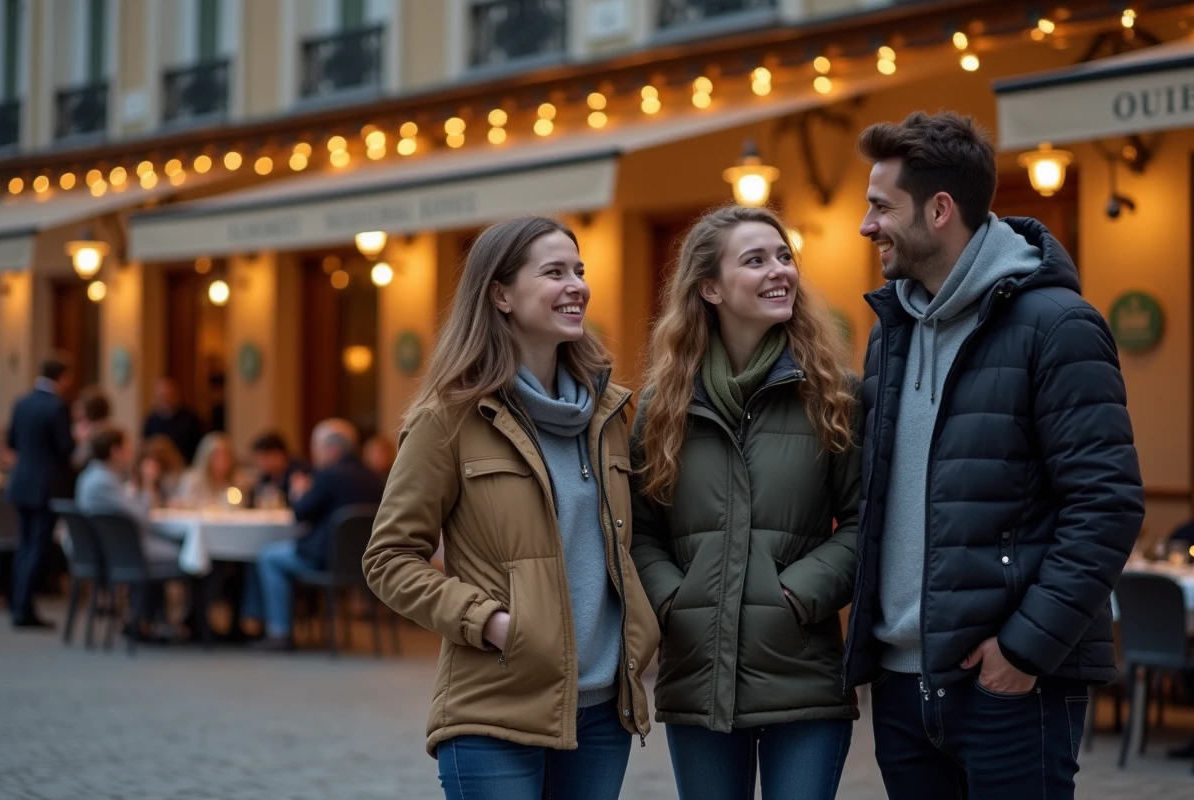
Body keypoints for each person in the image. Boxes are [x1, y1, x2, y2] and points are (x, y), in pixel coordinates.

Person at [844, 111, 1144, 800]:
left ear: (940, 210)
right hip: (901, 687)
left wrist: (1024, 650)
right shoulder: (889, 331)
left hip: (1009, 688)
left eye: (881, 207)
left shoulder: (1058, 326)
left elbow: (1106, 505)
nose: (866, 225)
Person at [362, 216, 659, 798]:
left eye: (579, 270)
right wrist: (492, 623)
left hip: (604, 712)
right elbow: (388, 559)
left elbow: (632, 543)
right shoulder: (449, 419)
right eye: (554, 272)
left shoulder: (609, 418)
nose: (576, 285)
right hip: (494, 709)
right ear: (501, 295)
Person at [629, 205, 859, 800]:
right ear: (710, 288)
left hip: (803, 675)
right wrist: (676, 600)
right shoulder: (662, 405)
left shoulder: (834, 395)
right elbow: (640, 530)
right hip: (698, 678)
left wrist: (796, 595)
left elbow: (865, 525)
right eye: (755, 260)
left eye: (784, 257)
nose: (779, 270)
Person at [247, 419, 383, 650]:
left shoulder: (329, 475)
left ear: (332, 449)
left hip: (326, 559)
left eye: (317, 448)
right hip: (365, 561)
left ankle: (279, 632)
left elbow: (300, 513)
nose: (314, 455)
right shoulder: (374, 478)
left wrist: (299, 492)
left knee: (269, 556)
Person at [5, 354, 77, 629]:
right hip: (46, 485)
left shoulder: (21, 402)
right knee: (38, 547)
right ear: (63, 377)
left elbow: (12, 442)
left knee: (23, 545)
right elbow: (66, 448)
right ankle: (24, 608)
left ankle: (17, 603)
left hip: (21, 482)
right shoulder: (57, 406)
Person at [75, 429, 178, 563]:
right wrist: (148, 482)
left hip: (108, 545)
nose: (132, 454)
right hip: (121, 548)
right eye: (128, 448)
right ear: (115, 451)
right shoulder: (103, 481)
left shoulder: (92, 475)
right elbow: (142, 517)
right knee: (187, 554)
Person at [143, 378, 205, 465]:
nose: (165, 399)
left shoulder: (190, 419)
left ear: (175, 395)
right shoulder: (151, 420)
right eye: (162, 396)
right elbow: (146, 445)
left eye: (168, 395)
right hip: (158, 467)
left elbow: (200, 447)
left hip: (185, 466)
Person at [171, 433, 237, 509]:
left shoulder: (233, 483)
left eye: (226, 456)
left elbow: (236, 508)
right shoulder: (192, 480)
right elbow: (182, 505)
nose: (222, 460)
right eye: (217, 455)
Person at [247, 432, 309, 508]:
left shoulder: (299, 472)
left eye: (263, 458)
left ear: (277, 455)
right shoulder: (267, 477)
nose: (259, 463)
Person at [137, 435, 187, 506]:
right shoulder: (134, 486)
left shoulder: (171, 480)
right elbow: (148, 506)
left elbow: (177, 501)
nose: (153, 467)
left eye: (157, 462)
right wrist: (148, 483)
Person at [71, 386, 112, 471]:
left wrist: (82, 442)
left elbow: (78, 461)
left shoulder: (95, 431)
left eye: (79, 407)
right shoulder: (105, 427)